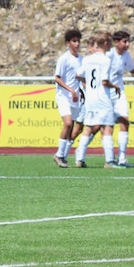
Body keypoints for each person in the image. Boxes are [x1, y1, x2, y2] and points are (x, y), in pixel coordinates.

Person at [74, 33, 120, 168]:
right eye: (110, 43)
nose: (111, 45)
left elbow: (78, 75)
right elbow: (104, 81)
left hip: (90, 98)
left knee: (88, 128)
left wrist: (87, 83)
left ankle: (79, 159)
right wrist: (115, 86)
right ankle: (109, 161)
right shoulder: (106, 60)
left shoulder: (87, 59)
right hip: (102, 98)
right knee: (107, 128)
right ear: (105, 44)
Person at [52, 29, 84, 168]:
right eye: (74, 41)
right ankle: (59, 155)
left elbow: (80, 77)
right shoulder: (64, 59)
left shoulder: (81, 59)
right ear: (68, 43)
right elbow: (57, 78)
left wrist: (84, 88)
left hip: (76, 98)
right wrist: (71, 90)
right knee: (68, 123)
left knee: (72, 128)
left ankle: (62, 156)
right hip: (64, 96)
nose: (77, 44)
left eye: (78, 41)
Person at [107, 30, 134, 167]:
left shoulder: (126, 55)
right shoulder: (108, 54)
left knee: (125, 121)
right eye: (125, 41)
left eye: (128, 41)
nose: (127, 44)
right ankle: (80, 156)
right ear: (116, 42)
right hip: (105, 94)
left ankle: (122, 158)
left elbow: (133, 70)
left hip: (119, 94)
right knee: (100, 127)